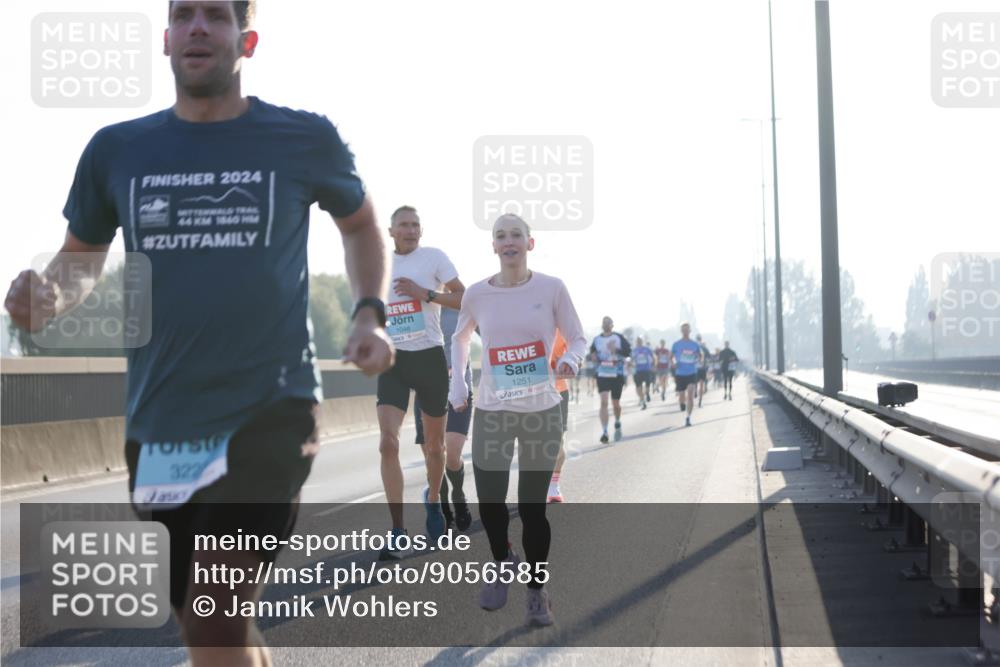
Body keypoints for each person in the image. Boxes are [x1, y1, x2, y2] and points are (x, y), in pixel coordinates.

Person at [4, 2, 393, 664]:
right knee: (206, 621)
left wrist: (367, 313)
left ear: (247, 40)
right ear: (165, 40)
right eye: (184, 14)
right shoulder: (117, 149)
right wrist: (48, 296)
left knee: (215, 611)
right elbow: (81, 257)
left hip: (269, 411)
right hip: (160, 421)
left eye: (215, 15)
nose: (197, 26)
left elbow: (359, 224)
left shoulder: (301, 138)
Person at [450, 213, 586, 627]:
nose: (508, 241)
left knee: (532, 509)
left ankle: (536, 591)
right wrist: (459, 384)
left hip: (541, 411)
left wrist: (570, 359)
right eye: (500, 236)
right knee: (490, 504)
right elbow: (459, 338)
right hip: (493, 411)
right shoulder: (477, 294)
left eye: (516, 235)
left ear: (530, 243)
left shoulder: (552, 288)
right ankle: (503, 559)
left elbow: (578, 337)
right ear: (493, 245)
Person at [377, 205, 465, 558]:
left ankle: (434, 497)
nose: (410, 230)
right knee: (388, 444)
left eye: (415, 225)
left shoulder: (434, 258)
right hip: (393, 361)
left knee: (434, 448)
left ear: (421, 230)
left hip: (429, 357)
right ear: (391, 231)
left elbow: (463, 297)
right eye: (404, 225)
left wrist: (425, 293)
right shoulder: (378, 262)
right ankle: (398, 530)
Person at [413, 307, 473, 532]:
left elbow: (491, 332)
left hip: (458, 390)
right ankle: (443, 508)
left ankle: (458, 495)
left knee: (452, 455)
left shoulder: (462, 302)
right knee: (433, 455)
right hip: (426, 391)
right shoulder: (418, 304)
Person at [590, 317, 631, 443]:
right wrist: (593, 357)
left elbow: (628, 352)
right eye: (604, 322)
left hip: (617, 374)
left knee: (616, 404)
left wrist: (616, 350)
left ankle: (617, 421)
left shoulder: (618, 337)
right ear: (602, 325)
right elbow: (592, 353)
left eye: (608, 323)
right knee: (603, 402)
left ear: (612, 325)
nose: (606, 324)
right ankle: (605, 431)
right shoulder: (597, 340)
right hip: (602, 373)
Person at [547, 329, 571, 503]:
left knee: (557, 441)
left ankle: (553, 485)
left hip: (559, 390)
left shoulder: (562, 329)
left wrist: (566, 362)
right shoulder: (526, 322)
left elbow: (575, 353)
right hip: (532, 392)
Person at [672, 323, 702, 427]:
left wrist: (699, 359)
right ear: (681, 331)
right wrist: (673, 363)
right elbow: (671, 356)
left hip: (691, 372)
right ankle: (682, 403)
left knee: (690, 395)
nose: (685, 332)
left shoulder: (694, 344)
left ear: (690, 331)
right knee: (682, 397)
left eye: (687, 330)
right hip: (680, 373)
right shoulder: (676, 344)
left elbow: (700, 355)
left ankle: (688, 417)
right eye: (683, 330)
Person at [631, 336, 655, 410]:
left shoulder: (647, 349)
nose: (639, 341)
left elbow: (653, 357)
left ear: (642, 341)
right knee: (638, 387)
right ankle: (642, 401)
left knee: (648, 385)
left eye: (640, 340)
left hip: (646, 369)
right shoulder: (634, 350)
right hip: (637, 371)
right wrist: (631, 364)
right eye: (638, 340)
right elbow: (631, 360)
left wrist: (653, 365)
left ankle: (647, 393)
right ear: (636, 341)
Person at [695, 334, 711, 408]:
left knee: (694, 383)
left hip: (694, 368)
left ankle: (695, 391)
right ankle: (700, 401)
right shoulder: (704, 348)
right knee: (701, 385)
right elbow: (709, 357)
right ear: (701, 339)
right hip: (702, 368)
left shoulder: (693, 346)